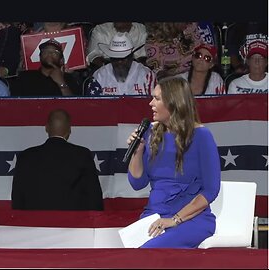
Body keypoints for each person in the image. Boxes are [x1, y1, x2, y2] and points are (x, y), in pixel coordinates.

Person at [125, 76, 221, 248]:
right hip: (154, 216)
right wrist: (137, 152)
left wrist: (174, 220)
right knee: (127, 255)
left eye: (157, 98)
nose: (151, 103)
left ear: (173, 102)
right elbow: (137, 183)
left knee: (147, 251)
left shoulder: (201, 136)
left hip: (190, 219)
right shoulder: (150, 132)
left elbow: (211, 190)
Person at [11, 109, 104, 210]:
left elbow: (17, 199)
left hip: (35, 223)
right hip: (72, 223)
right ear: (69, 130)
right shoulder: (82, 155)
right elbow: (94, 197)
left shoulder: (26, 157)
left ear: (46, 128)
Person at [84, 32, 156, 96]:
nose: (119, 62)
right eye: (115, 59)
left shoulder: (146, 75)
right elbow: (92, 107)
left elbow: (153, 106)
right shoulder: (99, 76)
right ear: (110, 58)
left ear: (131, 57)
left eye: (124, 58)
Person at [10, 39, 80, 96]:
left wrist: (61, 83)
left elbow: (75, 106)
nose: (49, 53)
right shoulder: (25, 76)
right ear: (40, 57)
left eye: (55, 52)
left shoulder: (69, 78)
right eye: (45, 51)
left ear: (61, 60)